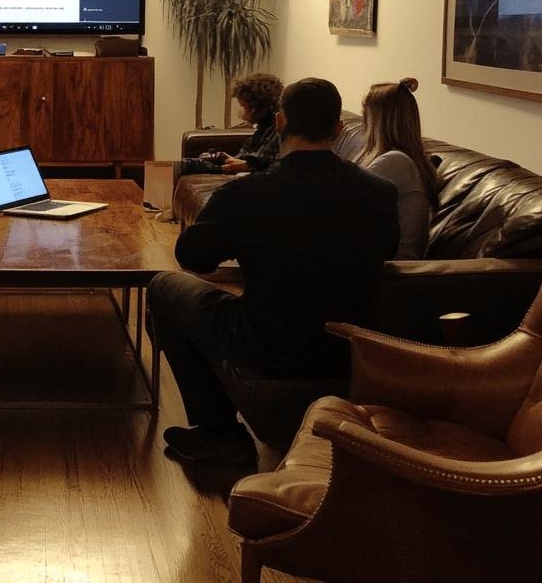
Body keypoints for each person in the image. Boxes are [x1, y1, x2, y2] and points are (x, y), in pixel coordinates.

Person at [148, 78, 399, 465]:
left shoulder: (246, 194)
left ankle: (218, 432)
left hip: (268, 346)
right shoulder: (380, 192)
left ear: (279, 122)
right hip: (350, 351)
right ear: (337, 129)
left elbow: (192, 257)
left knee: (164, 288)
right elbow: (387, 252)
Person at [357, 78, 438, 260]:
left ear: (380, 121)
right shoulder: (406, 160)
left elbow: (345, 199)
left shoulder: (396, 162)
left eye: (366, 114)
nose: (363, 121)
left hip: (393, 266)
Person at [181, 73, 283, 175]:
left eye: (244, 107)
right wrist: (230, 159)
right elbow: (244, 156)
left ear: (255, 108)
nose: (242, 113)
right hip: (244, 171)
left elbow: (263, 161)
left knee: (189, 166)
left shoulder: (278, 131)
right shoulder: (262, 129)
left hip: (253, 177)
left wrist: (246, 165)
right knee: (188, 165)